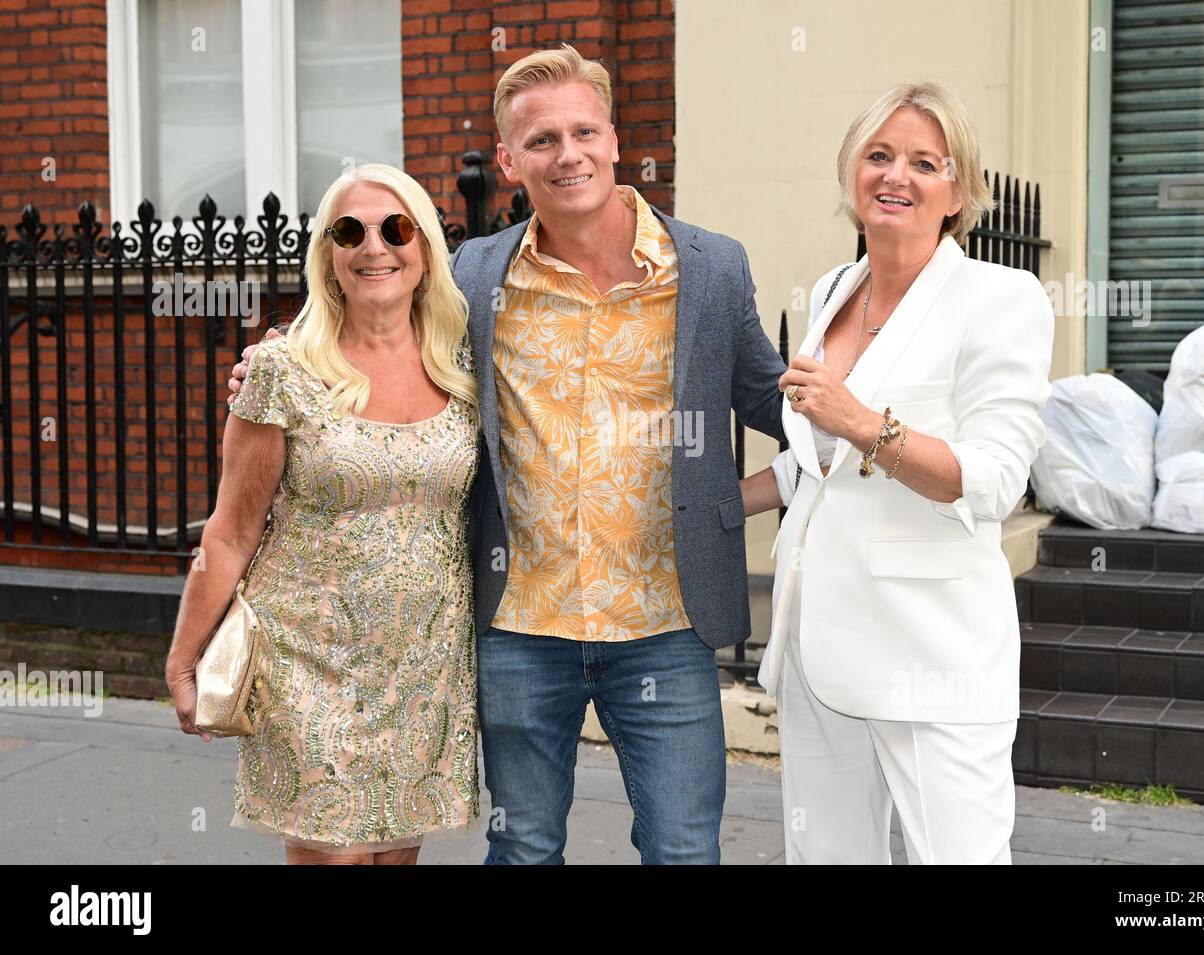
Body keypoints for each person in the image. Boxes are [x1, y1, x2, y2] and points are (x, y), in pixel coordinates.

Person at [231, 45, 787, 864]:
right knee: (523, 847)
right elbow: (381, 338)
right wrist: (280, 358)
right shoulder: (473, 276)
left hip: (667, 621)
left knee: (683, 849)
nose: (567, 154)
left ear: (613, 139)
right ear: (509, 159)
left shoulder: (708, 269)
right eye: (542, 140)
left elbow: (784, 409)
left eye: (582, 132)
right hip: (522, 625)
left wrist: (742, 493)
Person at [740, 81, 1054, 864]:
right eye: (878, 155)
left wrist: (860, 419)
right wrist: (722, 500)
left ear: (960, 191)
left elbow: (993, 477)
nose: (896, 176)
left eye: (924, 161)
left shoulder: (1002, 298)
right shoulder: (830, 292)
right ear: (852, 174)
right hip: (816, 647)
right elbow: (821, 466)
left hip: (932, 657)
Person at [168, 163, 480, 865]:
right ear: (328, 257)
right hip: (306, 659)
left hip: (424, 667)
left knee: (395, 857)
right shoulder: (283, 370)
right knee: (332, 855)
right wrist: (185, 660)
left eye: (395, 228)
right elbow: (230, 529)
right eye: (350, 231)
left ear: (424, 250)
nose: (375, 247)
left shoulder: (462, 369)